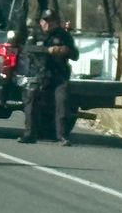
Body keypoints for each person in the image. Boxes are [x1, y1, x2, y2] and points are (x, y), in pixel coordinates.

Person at [17, 9, 80, 146]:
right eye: (45, 21)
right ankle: (29, 134)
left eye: (51, 22)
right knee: (30, 102)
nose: (47, 25)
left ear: (56, 23)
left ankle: (62, 136)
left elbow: (75, 55)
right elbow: (27, 49)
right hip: (38, 74)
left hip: (58, 75)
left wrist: (66, 51)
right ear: (41, 22)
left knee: (62, 102)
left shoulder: (64, 35)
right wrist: (47, 50)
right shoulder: (35, 34)